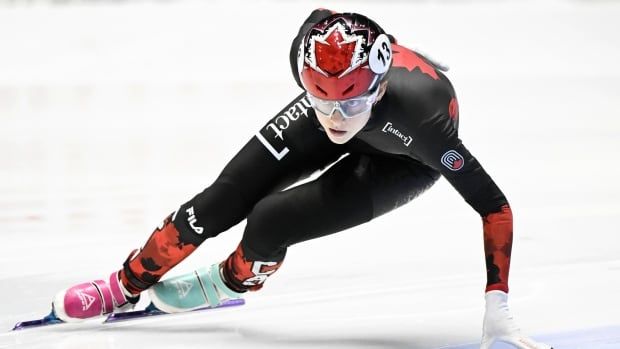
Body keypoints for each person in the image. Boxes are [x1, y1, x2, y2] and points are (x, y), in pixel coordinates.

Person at [51, 10, 552, 349]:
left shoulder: (424, 117)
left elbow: (494, 205)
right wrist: (333, 103)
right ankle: (124, 284)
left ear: (377, 87)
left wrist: (497, 304)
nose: (337, 117)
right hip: (346, 107)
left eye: (350, 102)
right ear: (305, 77)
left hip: (401, 158)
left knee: (271, 219)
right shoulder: (312, 59)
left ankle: (229, 281)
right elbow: (327, 42)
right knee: (221, 200)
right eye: (322, 98)